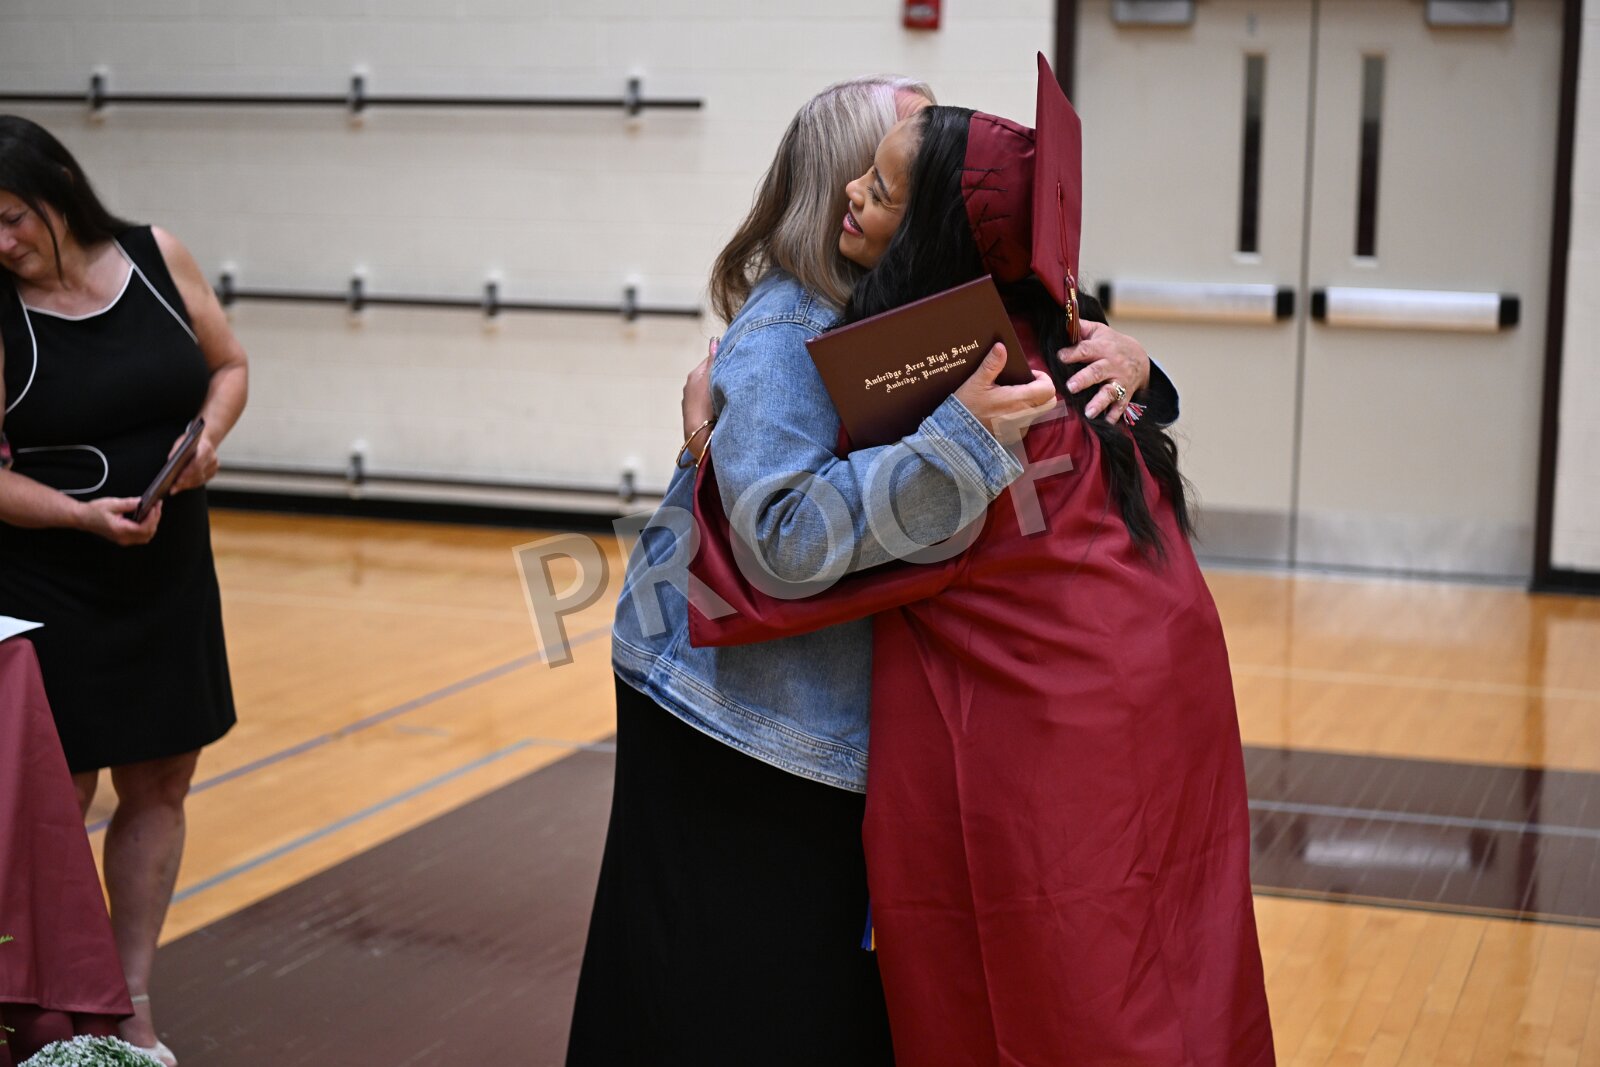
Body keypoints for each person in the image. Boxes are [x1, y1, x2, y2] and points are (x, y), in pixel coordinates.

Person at [568, 75, 1173, 1065]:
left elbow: (1057, 368)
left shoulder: (910, 304)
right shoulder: (788, 328)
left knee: (808, 1001)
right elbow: (784, 539)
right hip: (733, 715)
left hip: (808, 716)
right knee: (712, 997)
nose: (898, 178)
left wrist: (1136, 362)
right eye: (889, 163)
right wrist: (960, 446)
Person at [692, 59, 1275, 1065]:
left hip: (1068, 732)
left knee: (1071, 993)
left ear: (929, 235)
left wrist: (706, 454)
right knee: (1172, 962)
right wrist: (1148, 371)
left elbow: (782, 562)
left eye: (881, 190)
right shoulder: (1038, 331)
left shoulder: (973, 396)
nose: (852, 195)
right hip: (1160, 687)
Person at [0, 115, 248, 1067]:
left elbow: (228, 366)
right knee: (56, 793)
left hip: (168, 570)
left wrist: (207, 438)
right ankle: (48, 1005)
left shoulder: (156, 256)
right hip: (49, 576)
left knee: (161, 781)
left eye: (14, 217)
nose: (3, 242)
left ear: (60, 190)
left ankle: (130, 1001)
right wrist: (78, 516)